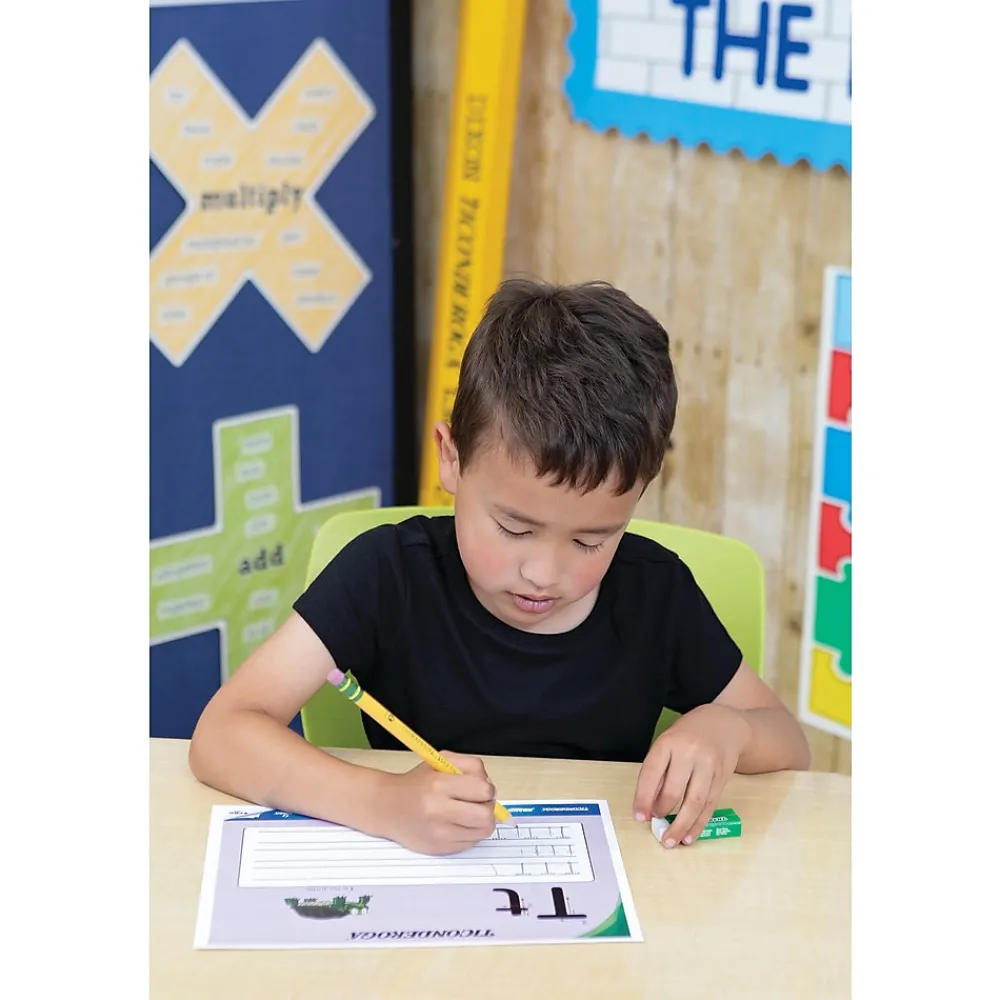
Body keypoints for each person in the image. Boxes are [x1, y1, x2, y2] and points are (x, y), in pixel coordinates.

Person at [189, 278, 810, 856]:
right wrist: (383, 802)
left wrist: (726, 728)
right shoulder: (386, 575)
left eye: (592, 541)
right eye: (515, 529)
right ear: (452, 459)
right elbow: (221, 734)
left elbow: (789, 742)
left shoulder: (657, 595)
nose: (543, 573)